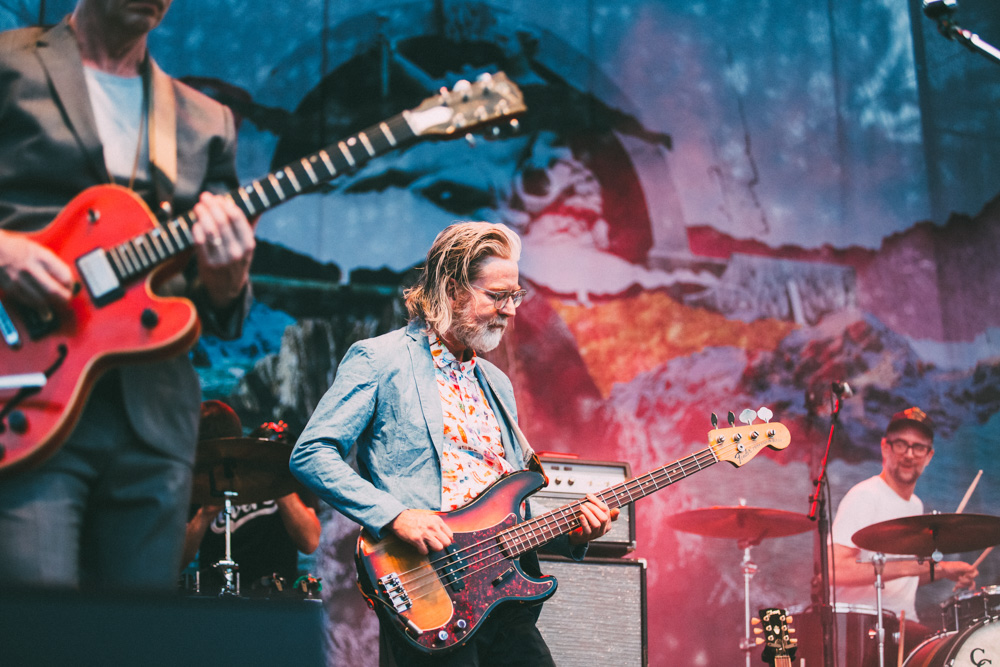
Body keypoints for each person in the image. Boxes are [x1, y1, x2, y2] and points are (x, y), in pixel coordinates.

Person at [0, 0, 255, 592]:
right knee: (39, 636)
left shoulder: (204, 120)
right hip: (25, 393)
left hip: (152, 421)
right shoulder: (10, 66)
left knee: (134, 643)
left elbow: (220, 311)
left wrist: (228, 277)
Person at [290, 221, 618, 666]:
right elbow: (311, 454)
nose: (511, 310)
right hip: (428, 588)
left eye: (515, 295)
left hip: (502, 596)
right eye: (497, 296)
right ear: (451, 290)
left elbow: (505, 513)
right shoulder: (379, 359)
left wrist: (573, 533)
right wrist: (396, 516)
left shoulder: (497, 384)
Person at [831, 407, 978, 624]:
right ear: (884, 448)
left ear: (929, 456)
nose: (909, 455)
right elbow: (836, 570)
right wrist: (930, 566)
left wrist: (945, 571)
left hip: (903, 623)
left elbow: (901, 578)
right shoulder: (866, 495)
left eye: (918, 447)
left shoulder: (914, 505)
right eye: (901, 444)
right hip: (862, 628)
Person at [182, 402, 321, 596]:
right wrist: (205, 514)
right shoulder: (196, 483)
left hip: (276, 599)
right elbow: (178, 559)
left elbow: (310, 542)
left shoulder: (289, 474)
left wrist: (277, 482)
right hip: (216, 600)